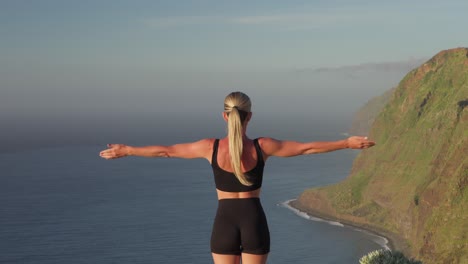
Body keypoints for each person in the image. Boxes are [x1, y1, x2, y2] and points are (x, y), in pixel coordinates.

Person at [99, 91, 375, 264]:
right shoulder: (263, 146)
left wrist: (128, 150)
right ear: (249, 116)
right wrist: (347, 144)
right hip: (254, 221)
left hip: (224, 224)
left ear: (224, 115)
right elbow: (307, 148)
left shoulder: (210, 147)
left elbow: (166, 152)